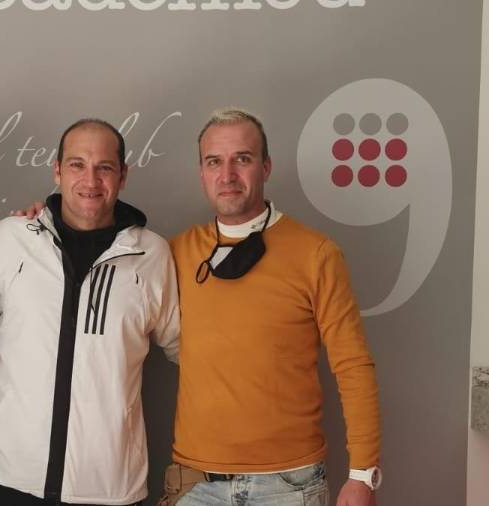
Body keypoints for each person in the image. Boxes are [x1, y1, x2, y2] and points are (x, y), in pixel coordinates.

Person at [160, 109, 381, 506]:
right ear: (202, 173)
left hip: (289, 485)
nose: (227, 175)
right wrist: (43, 221)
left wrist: (363, 474)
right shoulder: (173, 253)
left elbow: (352, 364)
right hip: (196, 485)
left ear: (265, 167)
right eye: (214, 161)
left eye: (241, 159)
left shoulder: (316, 254)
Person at [0, 118, 180, 506]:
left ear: (123, 175)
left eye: (104, 167)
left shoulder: (152, 254)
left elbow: (186, 349)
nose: (90, 180)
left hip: (112, 489)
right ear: (57, 170)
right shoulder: (12, 239)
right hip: (16, 483)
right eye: (77, 164)